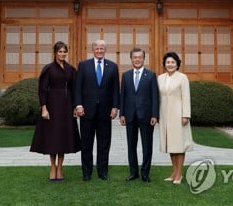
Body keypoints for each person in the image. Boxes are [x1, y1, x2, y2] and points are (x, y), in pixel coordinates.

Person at [30, 41, 81, 181]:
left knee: (63, 138)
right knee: (53, 138)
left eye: (64, 51)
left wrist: (75, 107)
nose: (62, 54)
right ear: (55, 53)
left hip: (67, 107)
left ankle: (60, 166)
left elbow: (75, 89)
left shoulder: (71, 69)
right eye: (60, 51)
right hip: (52, 106)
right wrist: (44, 108)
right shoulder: (48, 69)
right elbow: (42, 89)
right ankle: (52, 166)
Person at [74, 39, 119, 181]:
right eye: (97, 48)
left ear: (105, 50)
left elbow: (115, 90)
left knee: (104, 144)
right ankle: (86, 173)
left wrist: (115, 107)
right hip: (86, 111)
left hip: (105, 112)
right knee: (86, 144)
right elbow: (77, 88)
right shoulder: (83, 65)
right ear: (92, 50)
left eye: (102, 48)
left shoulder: (112, 66)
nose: (99, 51)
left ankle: (102, 172)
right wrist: (78, 105)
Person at [120, 48, 159, 183]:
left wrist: (155, 114)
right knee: (131, 146)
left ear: (144, 59)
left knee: (147, 146)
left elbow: (155, 97)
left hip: (147, 116)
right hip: (130, 116)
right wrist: (122, 114)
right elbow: (123, 96)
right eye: (135, 57)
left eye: (140, 57)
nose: (137, 60)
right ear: (131, 59)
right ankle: (133, 173)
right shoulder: (125, 75)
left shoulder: (151, 75)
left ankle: (145, 173)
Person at [157, 51, 193, 184]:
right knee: (170, 145)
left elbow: (186, 97)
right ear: (164, 64)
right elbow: (158, 98)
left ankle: (179, 174)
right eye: (168, 62)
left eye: (173, 62)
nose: (170, 64)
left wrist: (186, 115)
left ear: (177, 64)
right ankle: (174, 172)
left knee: (179, 145)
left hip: (179, 116)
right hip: (165, 116)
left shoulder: (182, 78)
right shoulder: (160, 78)